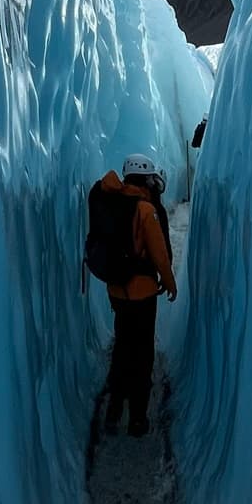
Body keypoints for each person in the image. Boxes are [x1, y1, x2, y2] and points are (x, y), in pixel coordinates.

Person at [89, 154, 177, 437]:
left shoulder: (112, 202)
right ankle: (137, 417)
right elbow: (159, 253)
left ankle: (114, 408)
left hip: (117, 290)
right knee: (142, 351)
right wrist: (170, 281)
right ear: (146, 179)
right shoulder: (145, 209)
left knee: (123, 346)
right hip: (143, 294)